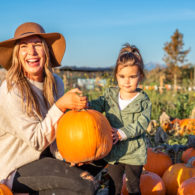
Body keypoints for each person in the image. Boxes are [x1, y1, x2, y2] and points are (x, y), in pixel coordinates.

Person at [0, 22, 98, 195]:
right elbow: (36, 141)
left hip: (47, 157)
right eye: (24, 46)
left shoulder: (55, 82)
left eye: (37, 44)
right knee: (84, 186)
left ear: (46, 50)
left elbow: (58, 130)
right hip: (15, 167)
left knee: (98, 158)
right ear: (17, 53)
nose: (32, 52)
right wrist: (60, 106)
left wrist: (67, 155)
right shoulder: (11, 89)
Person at [88, 43, 152, 195]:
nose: (127, 81)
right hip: (113, 153)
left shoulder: (143, 100)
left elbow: (142, 123)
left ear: (140, 77)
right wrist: (88, 105)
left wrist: (123, 133)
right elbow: (98, 104)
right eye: (122, 76)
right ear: (116, 75)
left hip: (134, 153)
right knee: (113, 186)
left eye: (132, 76)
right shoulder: (110, 95)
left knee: (133, 187)